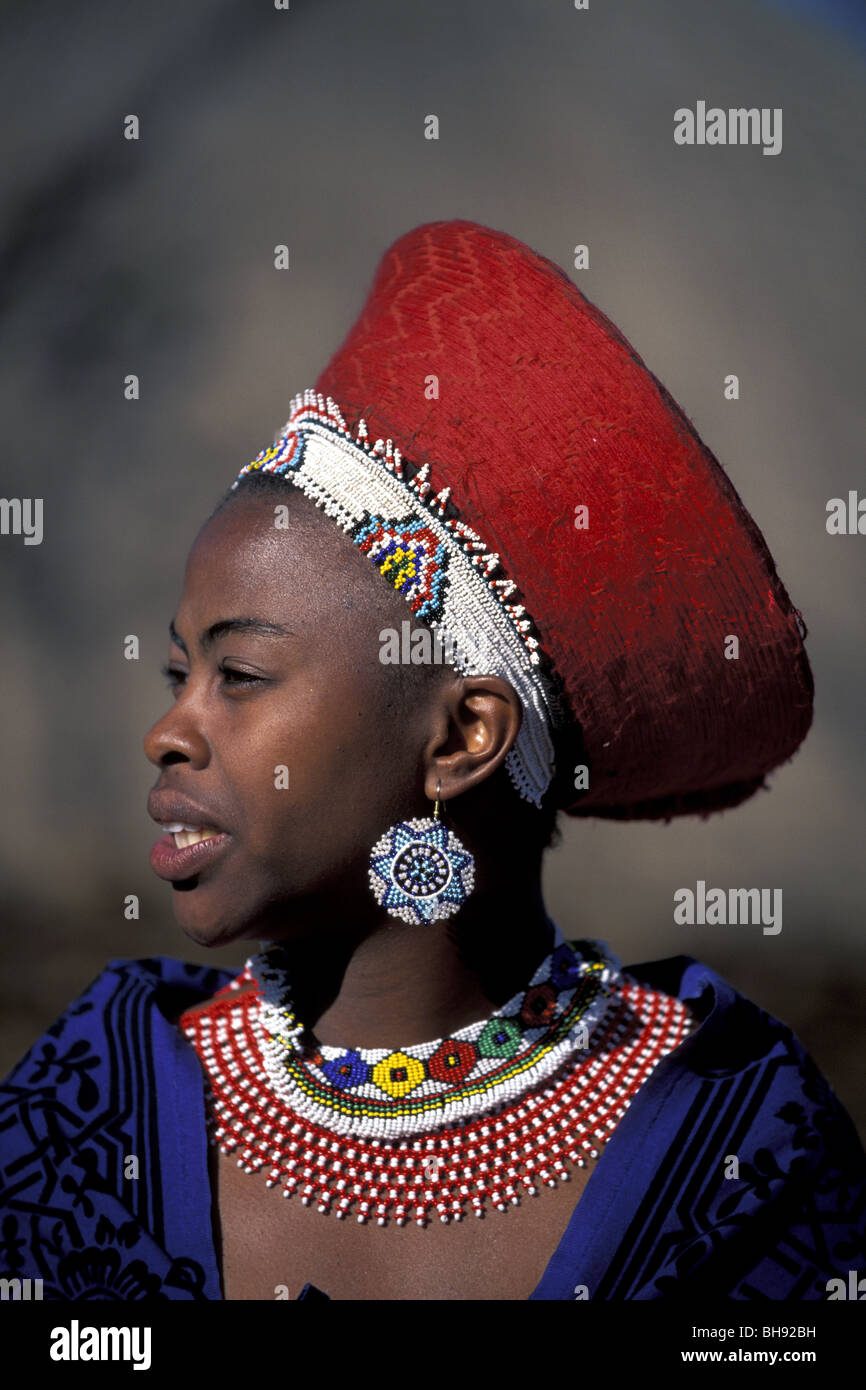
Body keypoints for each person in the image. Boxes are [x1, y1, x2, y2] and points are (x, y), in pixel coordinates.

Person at [1, 220, 863, 1302]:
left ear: (460, 740)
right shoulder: (98, 1106)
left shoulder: (729, 1143)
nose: (168, 731)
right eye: (177, 674)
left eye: (241, 675)